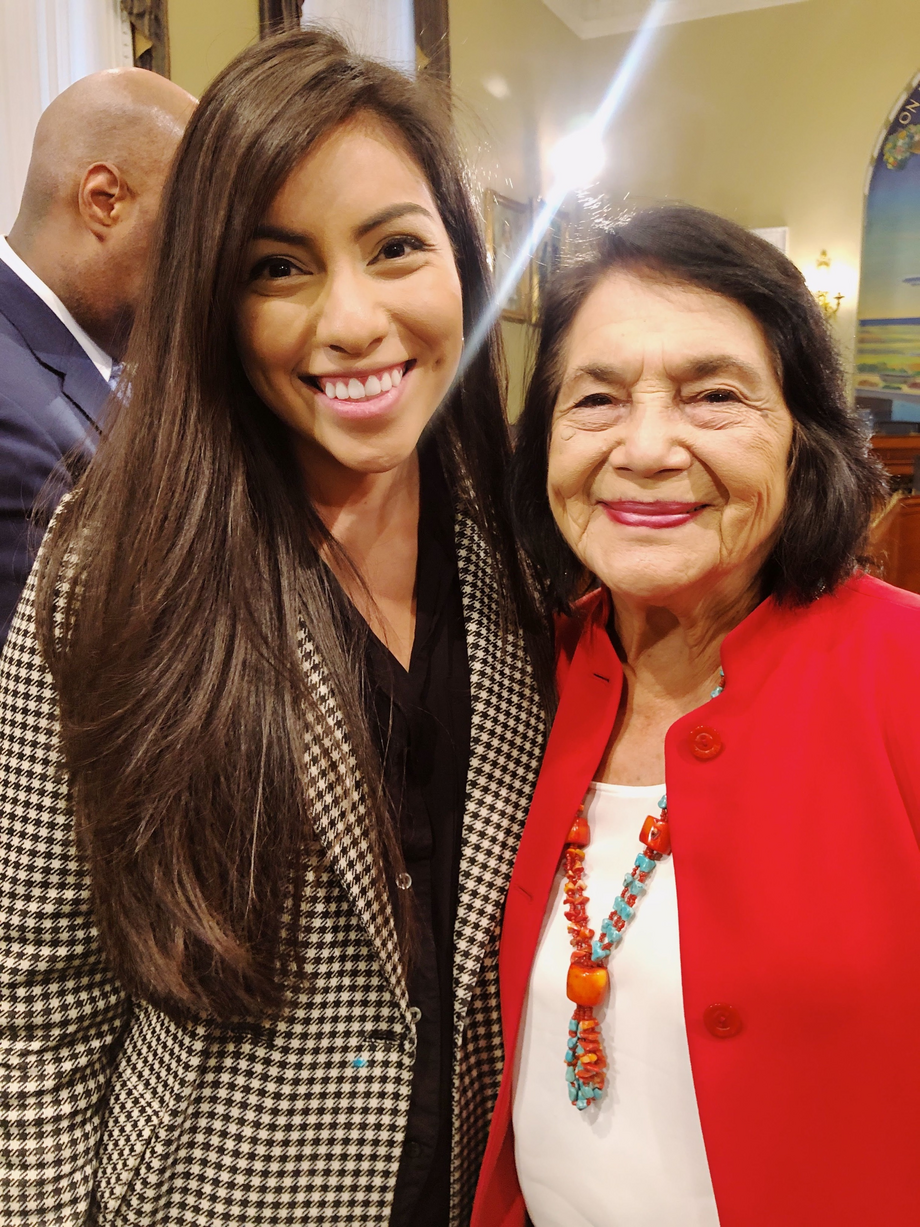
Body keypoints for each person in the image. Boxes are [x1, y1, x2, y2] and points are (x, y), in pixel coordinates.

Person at [0, 29, 549, 1227]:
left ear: (462, 260)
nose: (351, 323)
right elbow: (34, 1000)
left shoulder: (521, 546)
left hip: (481, 1184)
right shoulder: (109, 561)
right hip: (213, 1193)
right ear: (211, 296)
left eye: (396, 248)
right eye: (276, 268)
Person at [471, 205, 920, 1227]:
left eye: (712, 395)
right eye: (594, 400)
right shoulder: (523, 680)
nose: (645, 448)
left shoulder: (901, 671)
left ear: (803, 435)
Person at [0, 67, 195, 647]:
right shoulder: (13, 419)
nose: (201, 265)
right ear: (104, 200)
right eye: (188, 227)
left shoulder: (89, 360)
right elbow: (58, 699)